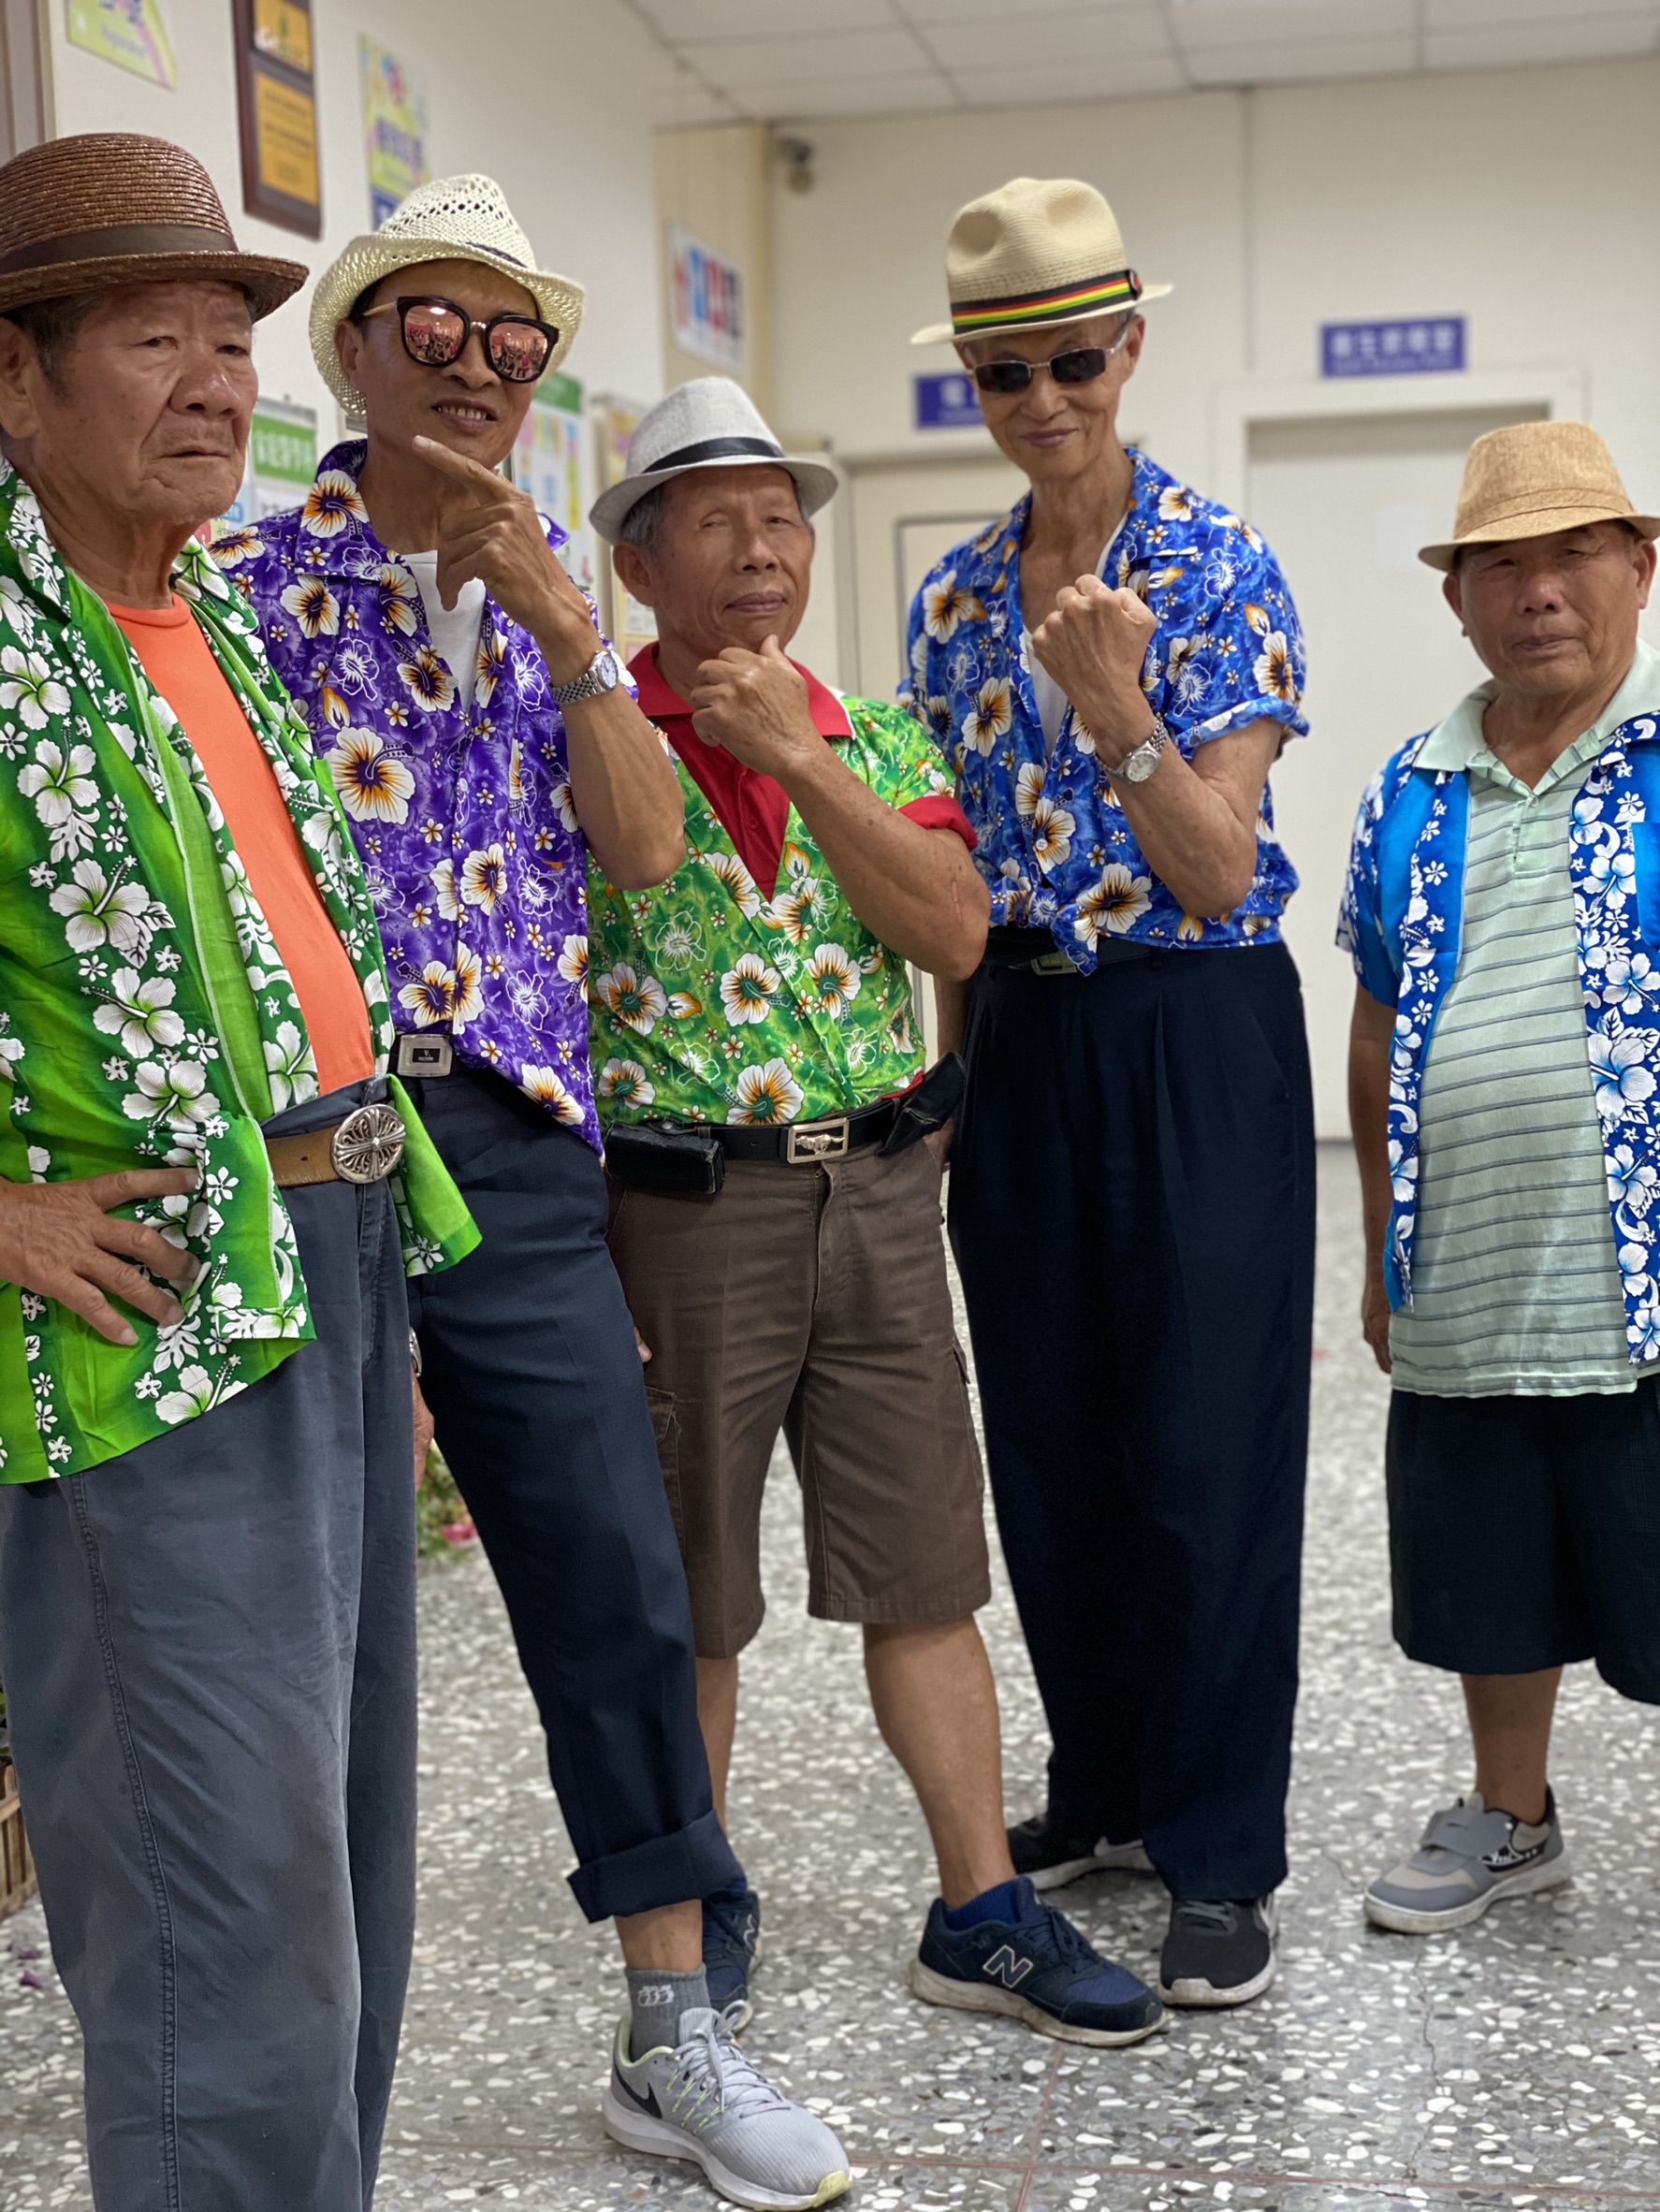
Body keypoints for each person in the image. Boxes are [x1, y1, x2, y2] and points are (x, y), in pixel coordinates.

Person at [237, 181, 849, 2212]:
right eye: (442, 329)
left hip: (508, 1136)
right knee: (297, 1616)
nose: (485, 370)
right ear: (351, 347)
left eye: (519, 346)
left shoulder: (537, 609)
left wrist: (579, 633)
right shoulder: (243, 585)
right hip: (299, 1142)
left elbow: (652, 853)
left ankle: (673, 2028)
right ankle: (278, 2052)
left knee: (613, 1571)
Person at [0, 134, 476, 2209]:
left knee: (343, 1871)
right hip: (152, 1319)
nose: (214, 382)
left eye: (228, 340)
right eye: (151, 339)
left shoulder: (204, 617)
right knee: (228, 1917)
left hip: (338, 1259)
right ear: (16, 383)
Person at [587, 374, 1164, 2056]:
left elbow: (953, 934)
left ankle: (978, 1908)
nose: (763, 550)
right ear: (640, 564)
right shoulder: (590, 733)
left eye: (783, 518)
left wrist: (803, 759)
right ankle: (688, 1926)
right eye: (718, 518)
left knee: (925, 1569)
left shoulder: (879, 731)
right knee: (688, 1594)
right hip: (683, 1211)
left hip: (878, 1193)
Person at [905, 176, 1316, 2009]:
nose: (1043, 397)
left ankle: (1219, 1847)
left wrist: (1115, 712)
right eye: (1004, 372)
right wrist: (946, 1072)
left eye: (1073, 358)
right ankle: (1109, 1786)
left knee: (1206, 1444)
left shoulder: (1213, 563)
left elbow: (1219, 870)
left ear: (1127, 350)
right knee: (1055, 1433)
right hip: (1019, 1032)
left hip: (1193, 1029)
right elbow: (935, 880)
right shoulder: (939, 601)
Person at [1342, 421, 1660, 1934]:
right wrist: (1372, 1250)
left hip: (1647, 1283)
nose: (1539, 592)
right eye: (1502, 564)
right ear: (1455, 598)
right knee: (1488, 1577)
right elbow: (1378, 1013)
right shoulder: (1408, 789)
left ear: (1640, 569)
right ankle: (1511, 1816)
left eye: (1572, 554)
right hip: (1463, 1265)